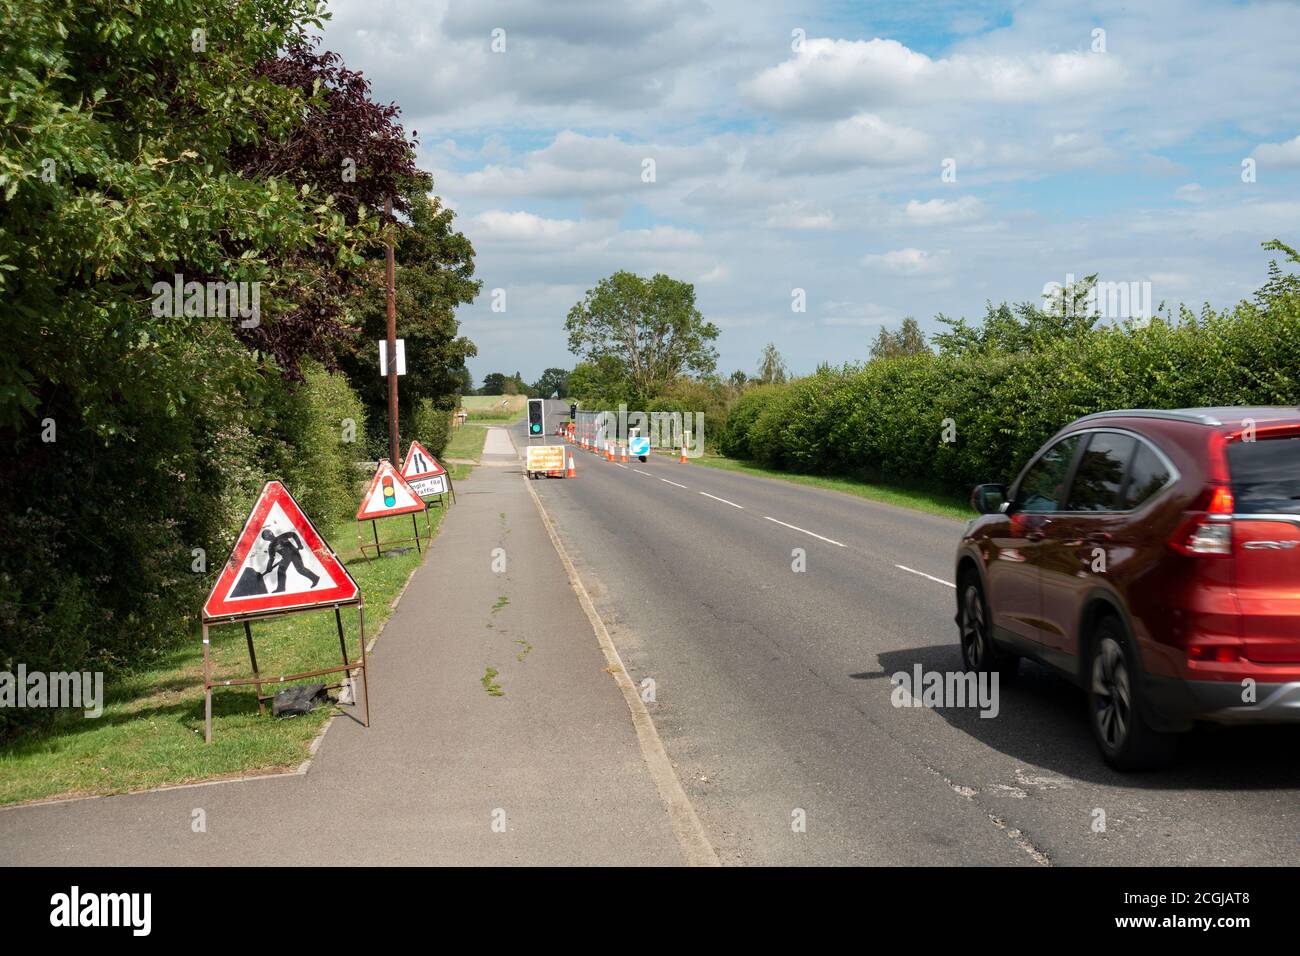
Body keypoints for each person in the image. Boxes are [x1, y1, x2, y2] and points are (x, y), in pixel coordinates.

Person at [260, 528, 320, 593]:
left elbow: (293, 534)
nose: (269, 536)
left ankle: (315, 578)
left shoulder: (282, 536)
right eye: (267, 537)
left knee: (300, 569)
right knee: (280, 571)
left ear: (272, 533)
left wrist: (299, 544)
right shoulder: (271, 546)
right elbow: (271, 558)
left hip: (294, 553)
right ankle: (281, 588)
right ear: (266, 539)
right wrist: (269, 567)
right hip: (286, 558)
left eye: (269, 534)